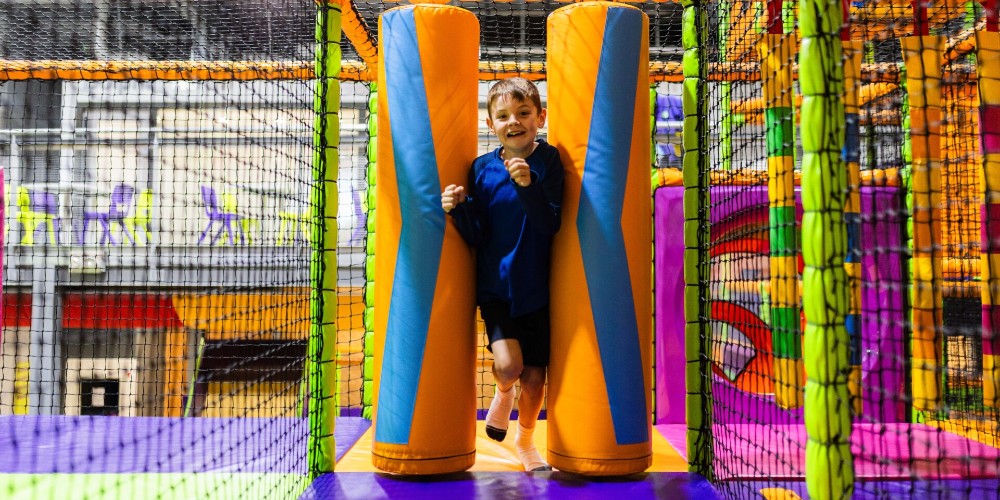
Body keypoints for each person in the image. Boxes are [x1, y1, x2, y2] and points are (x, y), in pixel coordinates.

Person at [441, 77, 563, 472]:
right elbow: (479, 234)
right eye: (504, 116)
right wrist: (457, 208)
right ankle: (501, 394)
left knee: (535, 378)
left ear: (539, 117)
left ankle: (526, 442)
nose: (514, 122)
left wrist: (528, 184)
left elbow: (549, 224)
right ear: (490, 123)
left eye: (524, 113)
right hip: (496, 286)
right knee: (510, 367)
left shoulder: (549, 161)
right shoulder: (481, 168)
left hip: (537, 289)